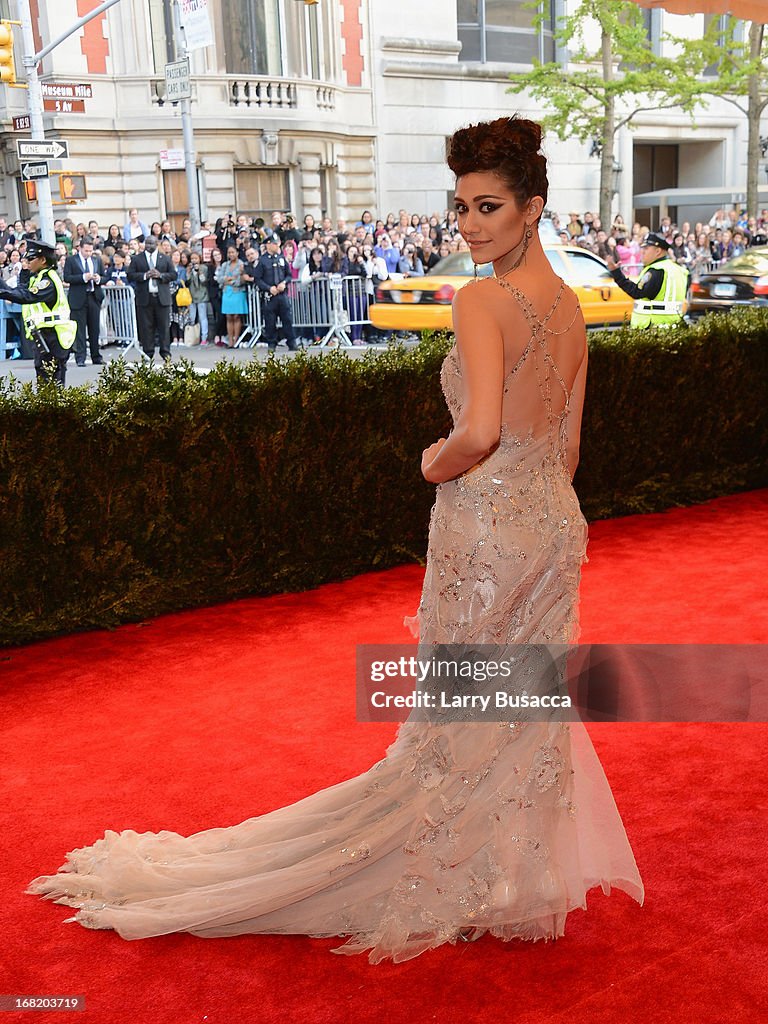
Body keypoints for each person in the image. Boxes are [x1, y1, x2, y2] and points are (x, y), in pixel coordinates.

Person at [24, 116, 643, 963]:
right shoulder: (569, 303)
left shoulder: (484, 301)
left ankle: (446, 864)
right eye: (459, 206)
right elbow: (569, 443)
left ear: (532, 207)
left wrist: (434, 463)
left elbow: (482, 431)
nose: (467, 225)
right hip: (550, 526)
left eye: (487, 206)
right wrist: (535, 505)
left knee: (462, 707)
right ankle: (505, 872)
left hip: (487, 520)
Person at [0, 241, 77, 386]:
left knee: (53, 382)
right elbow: (20, 290)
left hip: (54, 336)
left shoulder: (48, 280)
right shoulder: (38, 277)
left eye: (30, 259)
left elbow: (27, 296)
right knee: (43, 376)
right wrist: (23, 273)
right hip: (44, 335)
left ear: (43, 260)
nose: (27, 262)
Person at [605, 231, 688, 328]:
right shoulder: (678, 269)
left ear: (658, 251)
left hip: (653, 328)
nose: (642, 252)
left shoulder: (656, 270)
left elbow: (637, 292)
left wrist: (616, 273)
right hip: (673, 326)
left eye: (646, 248)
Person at [126, 235, 175, 361]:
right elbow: (130, 275)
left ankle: (166, 353)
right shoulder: (137, 259)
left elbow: (173, 274)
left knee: (164, 327)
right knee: (146, 327)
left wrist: (161, 275)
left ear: (156, 244)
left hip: (161, 298)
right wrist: (144, 275)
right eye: (147, 244)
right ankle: (148, 353)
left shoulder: (164, 258)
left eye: (152, 244)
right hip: (145, 298)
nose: (149, 246)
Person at [252, 232, 297, 352]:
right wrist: (268, 288)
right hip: (270, 296)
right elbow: (257, 279)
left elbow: (289, 275)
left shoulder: (281, 258)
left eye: (277, 243)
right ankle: (271, 343)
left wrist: (284, 283)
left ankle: (291, 342)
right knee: (270, 321)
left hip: (282, 295)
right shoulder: (262, 261)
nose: (276, 246)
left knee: (287, 319)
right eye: (274, 243)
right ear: (268, 245)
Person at [63, 238, 105, 366]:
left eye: (90, 251)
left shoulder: (96, 260)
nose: (88, 253)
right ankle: (80, 357)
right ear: (80, 248)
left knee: (94, 329)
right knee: (79, 330)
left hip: (93, 296)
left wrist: (98, 279)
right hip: (78, 298)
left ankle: (96, 356)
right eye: (86, 250)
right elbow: (67, 277)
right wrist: (83, 277)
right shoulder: (71, 260)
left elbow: (104, 276)